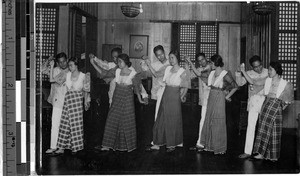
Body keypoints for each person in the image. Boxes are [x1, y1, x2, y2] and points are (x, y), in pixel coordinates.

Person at [101, 54, 144, 152]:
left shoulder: (133, 73)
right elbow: (104, 74)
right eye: (118, 61)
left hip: (127, 99)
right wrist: (93, 63)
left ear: (126, 62)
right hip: (117, 97)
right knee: (111, 119)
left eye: (120, 61)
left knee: (127, 121)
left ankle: (128, 146)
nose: (118, 63)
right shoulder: (116, 71)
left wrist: (140, 99)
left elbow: (137, 88)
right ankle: (107, 145)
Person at [147, 50, 188, 152]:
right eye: (169, 58)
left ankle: (172, 144)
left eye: (172, 58)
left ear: (177, 58)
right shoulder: (168, 69)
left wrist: (181, 96)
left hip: (175, 96)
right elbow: (157, 75)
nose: (170, 60)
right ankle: (157, 143)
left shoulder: (182, 71)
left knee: (172, 120)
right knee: (160, 118)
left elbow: (186, 86)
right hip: (166, 94)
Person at [252, 61, 294, 161]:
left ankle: (272, 156)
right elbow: (259, 86)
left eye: (271, 69)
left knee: (274, 131)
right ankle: (261, 154)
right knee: (263, 130)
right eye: (269, 69)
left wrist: (280, 107)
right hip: (266, 105)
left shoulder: (285, 84)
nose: (269, 72)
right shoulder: (268, 81)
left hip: (276, 107)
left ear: (277, 70)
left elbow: (288, 100)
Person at [200, 54, 238, 155]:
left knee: (218, 121)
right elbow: (200, 76)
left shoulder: (225, 74)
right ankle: (209, 146)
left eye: (211, 63)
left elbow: (235, 86)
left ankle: (220, 148)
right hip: (211, 96)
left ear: (216, 63)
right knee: (209, 119)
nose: (210, 65)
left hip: (219, 97)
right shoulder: (211, 73)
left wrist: (227, 96)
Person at [235, 56, 268, 159]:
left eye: (259, 66)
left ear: (262, 63)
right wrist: (239, 73)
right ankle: (247, 151)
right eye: (255, 67)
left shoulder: (268, 71)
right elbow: (239, 83)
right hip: (254, 101)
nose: (258, 69)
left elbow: (259, 83)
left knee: (264, 127)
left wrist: (244, 72)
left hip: (266, 101)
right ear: (252, 67)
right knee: (251, 127)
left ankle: (263, 152)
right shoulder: (249, 73)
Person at [55, 57, 90, 154]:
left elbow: (86, 91)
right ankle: (61, 147)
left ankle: (76, 147)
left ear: (76, 65)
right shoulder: (67, 74)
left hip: (77, 101)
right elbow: (56, 80)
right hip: (68, 100)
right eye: (69, 65)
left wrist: (86, 102)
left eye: (71, 65)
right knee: (64, 123)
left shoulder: (84, 76)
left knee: (76, 124)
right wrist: (62, 72)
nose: (69, 67)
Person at [184, 53, 212, 152]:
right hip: (204, 98)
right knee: (203, 119)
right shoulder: (199, 69)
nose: (201, 62)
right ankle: (200, 143)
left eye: (203, 59)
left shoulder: (210, 66)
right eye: (199, 61)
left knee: (210, 120)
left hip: (213, 97)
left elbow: (200, 73)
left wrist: (191, 63)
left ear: (206, 59)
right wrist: (187, 65)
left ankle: (207, 144)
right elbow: (188, 76)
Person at [45, 52, 69, 154]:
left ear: (67, 60)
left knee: (66, 125)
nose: (63, 64)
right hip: (57, 100)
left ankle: (63, 147)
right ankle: (53, 146)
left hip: (68, 100)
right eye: (60, 62)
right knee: (55, 124)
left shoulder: (69, 71)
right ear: (58, 63)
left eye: (64, 61)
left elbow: (56, 81)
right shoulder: (56, 70)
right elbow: (42, 70)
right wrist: (48, 61)